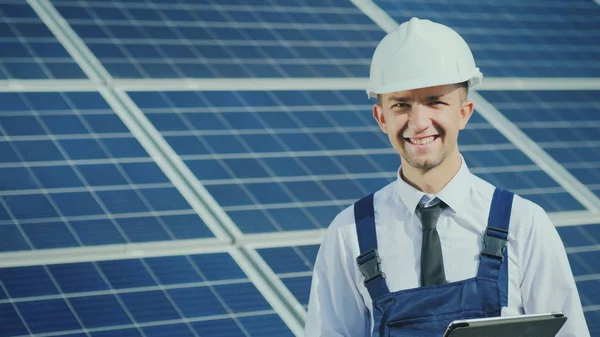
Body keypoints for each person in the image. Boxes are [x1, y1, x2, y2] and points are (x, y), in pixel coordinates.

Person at [303, 17, 589, 337]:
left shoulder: (525, 224)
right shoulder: (348, 235)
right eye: (401, 105)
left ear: (464, 112)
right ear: (381, 117)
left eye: (435, 101)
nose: (419, 122)